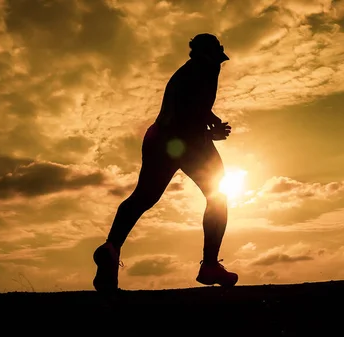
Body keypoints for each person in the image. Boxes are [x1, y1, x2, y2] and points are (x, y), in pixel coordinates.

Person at [93, 33, 238, 292]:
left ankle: (111, 248)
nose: (220, 64)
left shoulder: (188, 72)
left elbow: (194, 106)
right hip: (186, 141)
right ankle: (210, 265)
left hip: (159, 138)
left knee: (143, 198)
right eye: (217, 58)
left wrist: (211, 119)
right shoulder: (203, 71)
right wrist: (209, 134)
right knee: (217, 198)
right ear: (209, 55)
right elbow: (185, 118)